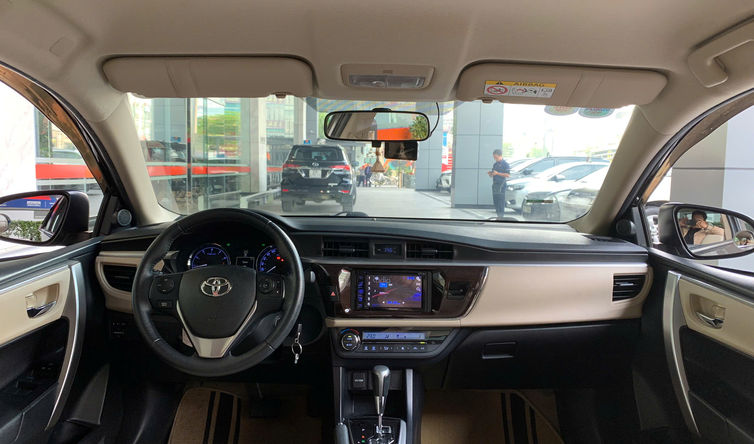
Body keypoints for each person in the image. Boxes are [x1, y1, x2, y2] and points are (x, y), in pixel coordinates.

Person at [488, 149, 510, 219]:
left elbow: (507, 175)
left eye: (496, 157)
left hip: (501, 185)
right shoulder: (495, 164)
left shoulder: (505, 164)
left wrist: (497, 173)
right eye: (494, 157)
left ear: (500, 156)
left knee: (501, 202)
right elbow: (493, 174)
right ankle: (498, 216)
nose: (495, 159)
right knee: (496, 201)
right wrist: (491, 174)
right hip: (495, 185)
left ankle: (501, 217)